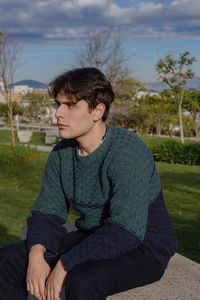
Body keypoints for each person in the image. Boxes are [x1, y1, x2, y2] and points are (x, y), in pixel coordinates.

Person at [0, 67, 177, 300]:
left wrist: (65, 263)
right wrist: (36, 254)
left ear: (97, 111)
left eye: (70, 105)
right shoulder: (62, 153)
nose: (58, 114)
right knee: (7, 260)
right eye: (58, 104)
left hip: (144, 245)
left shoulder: (128, 152)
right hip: (94, 235)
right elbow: (47, 213)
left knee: (82, 279)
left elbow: (126, 229)